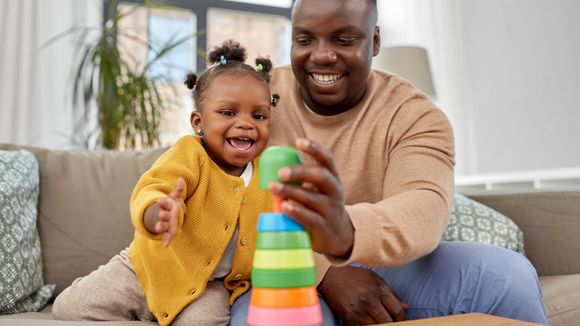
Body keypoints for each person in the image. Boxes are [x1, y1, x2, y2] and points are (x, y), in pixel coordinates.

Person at [229, 0, 548, 325]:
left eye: (344, 40)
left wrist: (346, 232)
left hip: (384, 265)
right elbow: (218, 204)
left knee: (507, 277)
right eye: (305, 39)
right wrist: (324, 272)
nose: (322, 55)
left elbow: (423, 210)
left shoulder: (415, 115)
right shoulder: (251, 99)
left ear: (375, 41)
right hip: (272, 266)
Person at [52, 40, 280, 325]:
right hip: (146, 268)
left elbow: (280, 224)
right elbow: (152, 188)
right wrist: (157, 212)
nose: (246, 123)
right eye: (228, 113)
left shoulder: (268, 172)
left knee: (202, 322)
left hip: (209, 285)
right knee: (69, 308)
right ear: (198, 121)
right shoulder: (190, 154)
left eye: (258, 116)